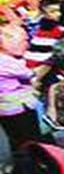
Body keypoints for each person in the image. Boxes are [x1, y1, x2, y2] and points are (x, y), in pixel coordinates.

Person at [0, 22, 40, 153]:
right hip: (19, 108)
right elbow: (31, 75)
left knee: (16, 139)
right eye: (23, 40)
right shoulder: (6, 62)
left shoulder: (9, 59)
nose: (27, 44)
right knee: (29, 141)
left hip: (7, 109)